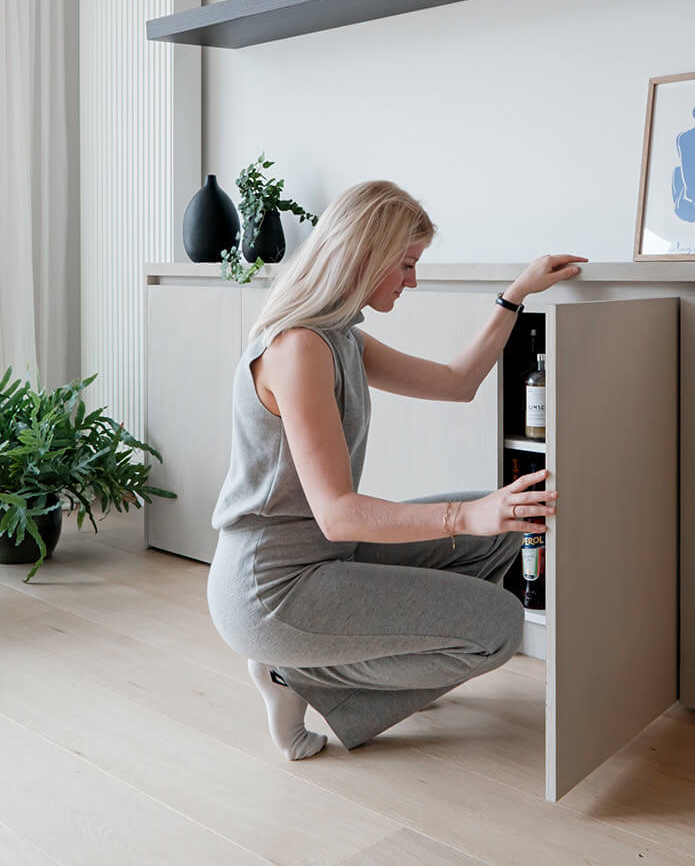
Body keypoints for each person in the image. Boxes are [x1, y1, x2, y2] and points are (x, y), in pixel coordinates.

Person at [206, 179, 586, 759]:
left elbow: (457, 384)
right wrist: (466, 514)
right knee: (500, 627)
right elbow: (338, 514)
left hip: (325, 561)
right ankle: (292, 674)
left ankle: (371, 657)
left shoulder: (341, 338)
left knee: (500, 533)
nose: (413, 280)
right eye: (406, 264)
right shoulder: (298, 348)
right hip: (272, 589)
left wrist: (515, 295)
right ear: (364, 255)